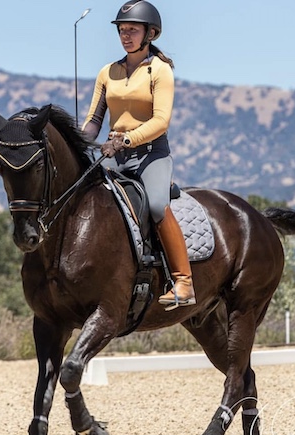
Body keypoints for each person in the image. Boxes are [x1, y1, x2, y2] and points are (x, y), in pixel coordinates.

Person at [82, 0, 195, 309]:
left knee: (157, 205)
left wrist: (127, 139)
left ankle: (183, 281)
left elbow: (161, 121)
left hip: (150, 155)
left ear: (151, 33)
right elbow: (94, 122)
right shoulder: (108, 72)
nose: (125, 35)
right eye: (122, 30)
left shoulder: (160, 71)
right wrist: (78, 143)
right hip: (113, 154)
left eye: (132, 29)